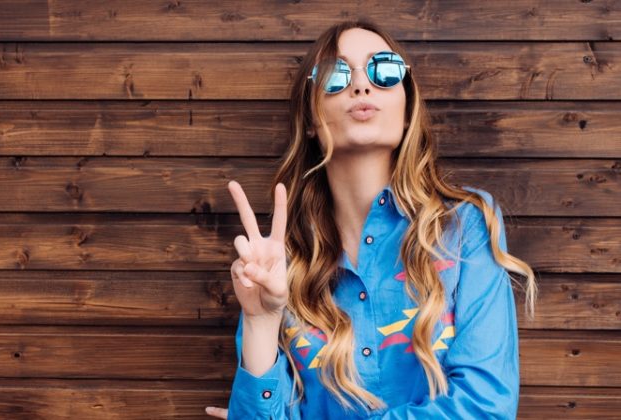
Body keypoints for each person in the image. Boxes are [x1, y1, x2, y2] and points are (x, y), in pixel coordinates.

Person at [205, 18, 538, 420]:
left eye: (384, 69)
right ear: (310, 118)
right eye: (335, 74)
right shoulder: (278, 263)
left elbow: (487, 408)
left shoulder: (465, 226)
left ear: (406, 103)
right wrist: (260, 320)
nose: (361, 86)